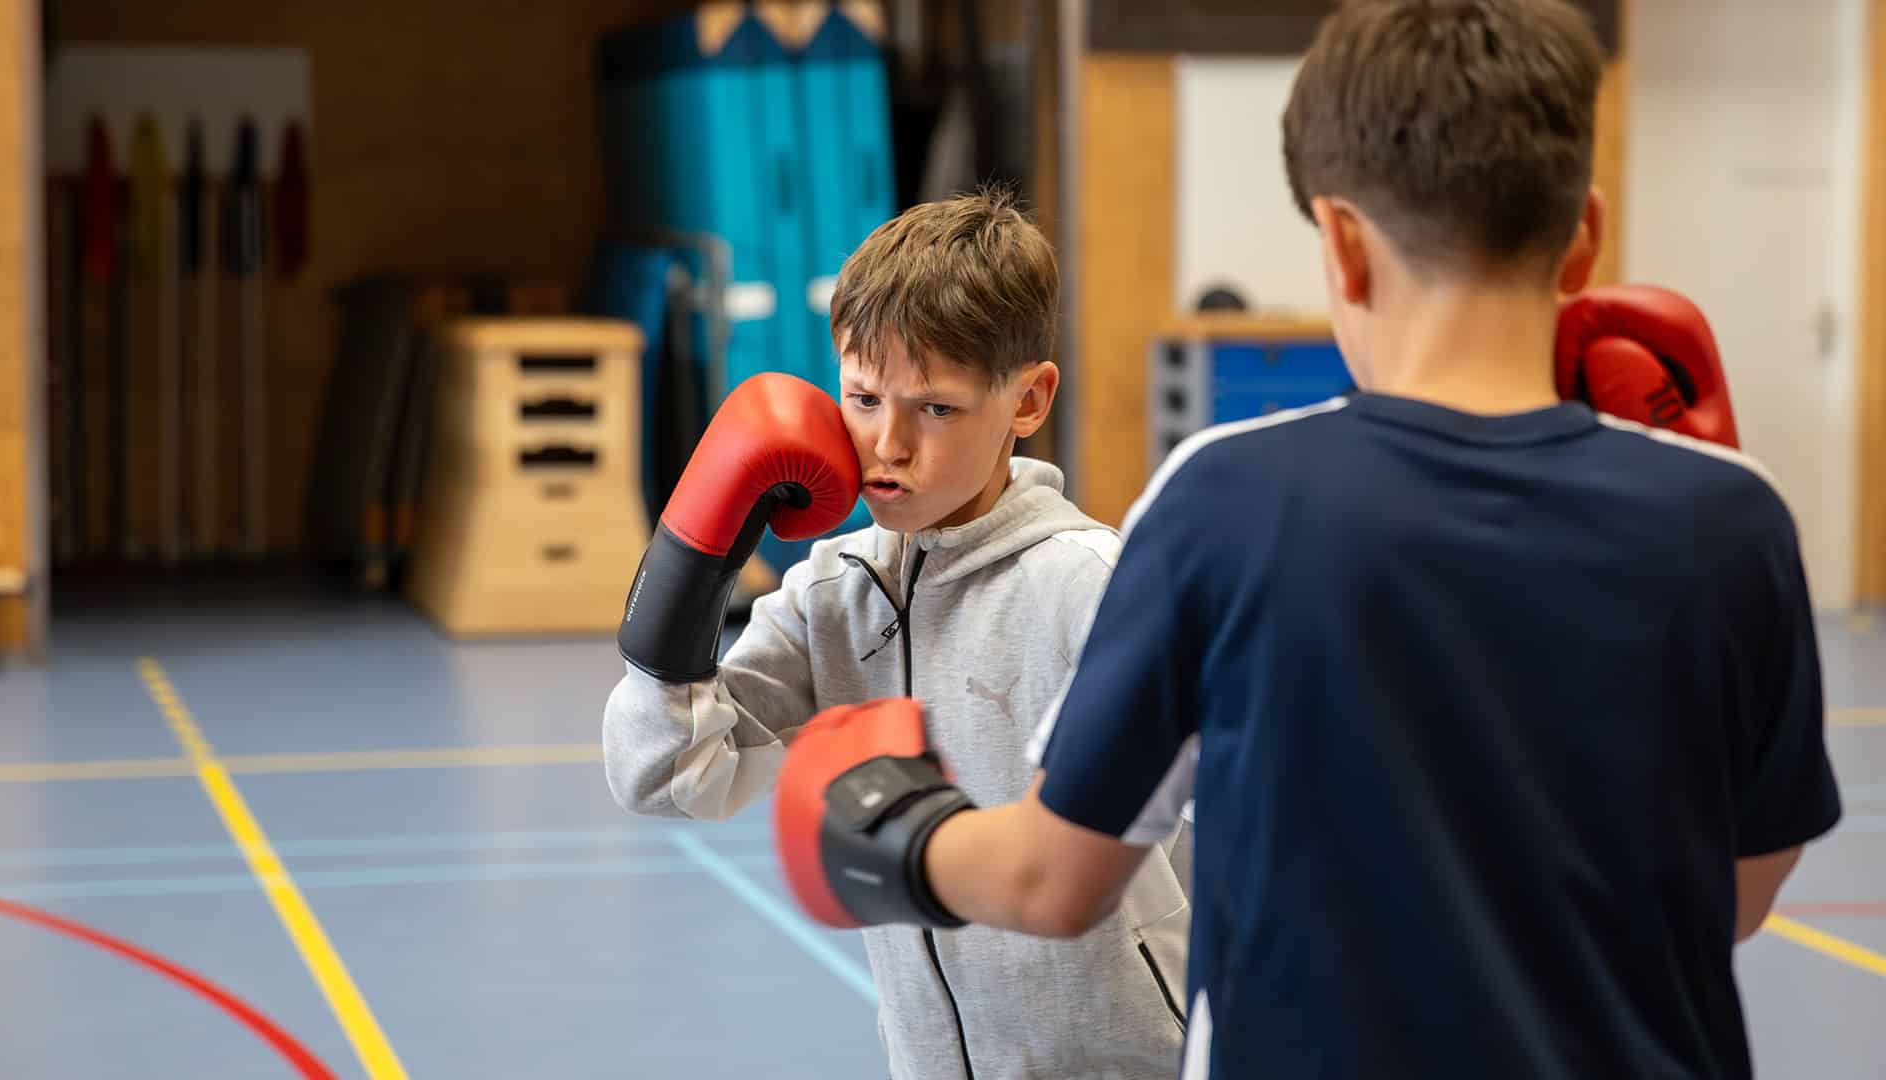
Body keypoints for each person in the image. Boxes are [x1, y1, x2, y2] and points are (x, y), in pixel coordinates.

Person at [770, 2, 1843, 1078]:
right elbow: (1740, 896)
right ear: (1586, 236)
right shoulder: (1732, 520)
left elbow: (1052, 881)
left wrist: (884, 827)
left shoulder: (1227, 501)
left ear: (1340, 240)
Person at [602, 189, 1192, 1080]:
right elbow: (668, 777)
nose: (889, 445)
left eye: (938, 409)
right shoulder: (835, 593)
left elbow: (1224, 815)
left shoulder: (1088, 585)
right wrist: (690, 573)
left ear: (1028, 400)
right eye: (864, 397)